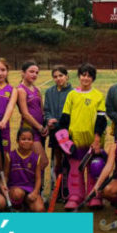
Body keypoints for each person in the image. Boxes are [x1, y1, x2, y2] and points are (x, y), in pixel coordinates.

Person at [58, 63, 107, 210]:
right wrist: (65, 141)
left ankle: (94, 196)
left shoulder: (98, 95)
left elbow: (101, 119)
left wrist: (97, 138)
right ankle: (75, 196)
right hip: (75, 140)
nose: (86, 78)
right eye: (83, 75)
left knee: (94, 168)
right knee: (75, 169)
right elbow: (65, 118)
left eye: (89, 75)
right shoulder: (71, 95)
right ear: (79, 76)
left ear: (93, 78)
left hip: (94, 140)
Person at [43, 65, 73, 199]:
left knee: (69, 160)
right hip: (54, 132)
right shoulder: (49, 92)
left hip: (68, 132)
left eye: (61, 75)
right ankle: (57, 189)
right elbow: (46, 110)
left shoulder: (73, 92)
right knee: (57, 160)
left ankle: (68, 189)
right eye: (55, 77)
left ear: (67, 76)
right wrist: (49, 119)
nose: (58, 78)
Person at [5, 127, 45, 212]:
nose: (26, 141)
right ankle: (18, 207)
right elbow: (5, 175)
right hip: (15, 188)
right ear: (17, 140)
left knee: (40, 209)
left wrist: (35, 192)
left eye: (29, 139)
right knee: (18, 194)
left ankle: (26, 204)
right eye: (23, 139)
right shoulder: (10, 155)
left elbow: (38, 179)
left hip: (30, 189)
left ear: (33, 141)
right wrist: (3, 186)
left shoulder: (36, 158)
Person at [17, 60, 48, 156]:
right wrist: (40, 128)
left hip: (41, 129)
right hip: (29, 129)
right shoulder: (21, 90)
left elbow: (42, 111)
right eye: (31, 71)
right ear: (23, 73)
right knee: (42, 161)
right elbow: (25, 114)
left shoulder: (37, 89)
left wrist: (45, 126)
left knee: (37, 163)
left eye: (36, 72)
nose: (34, 74)